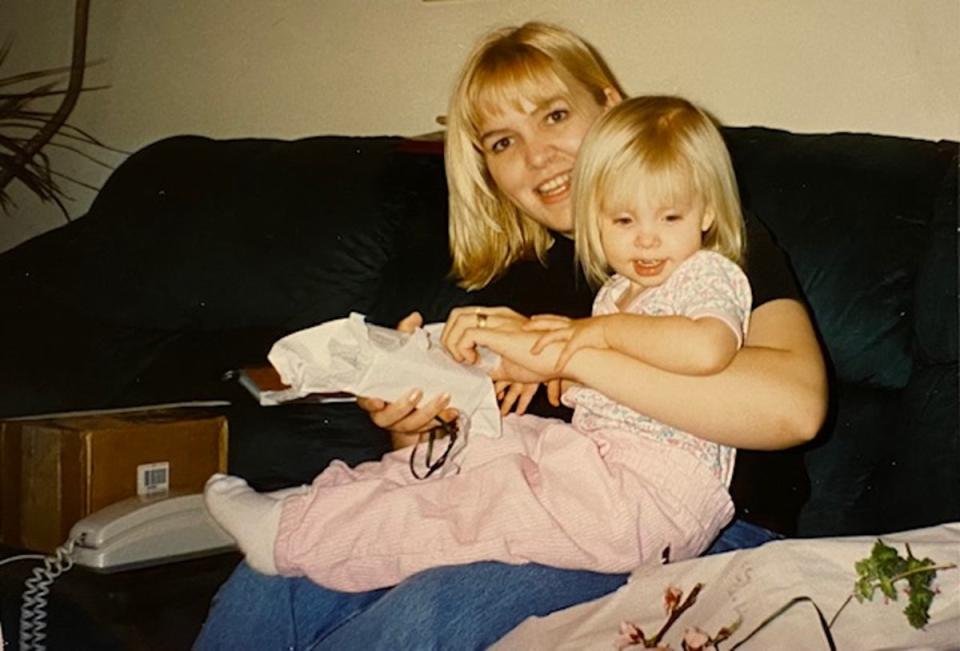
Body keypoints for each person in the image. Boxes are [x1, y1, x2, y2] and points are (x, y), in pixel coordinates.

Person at [195, 22, 827, 650]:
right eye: (502, 142)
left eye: (554, 116)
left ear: (609, 106)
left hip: (702, 535)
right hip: (540, 519)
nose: (537, 156)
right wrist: (415, 421)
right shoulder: (509, 289)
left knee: (434, 610)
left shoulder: (699, 240)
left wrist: (573, 351)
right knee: (275, 579)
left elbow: (792, 410)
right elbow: (475, 468)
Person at [203, 95, 753, 590]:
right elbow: (617, 373)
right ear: (596, 219)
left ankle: (293, 537)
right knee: (481, 446)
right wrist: (553, 371)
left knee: (477, 508)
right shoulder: (617, 291)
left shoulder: (707, 274)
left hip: (651, 501)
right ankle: (312, 507)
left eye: (671, 216)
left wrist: (591, 340)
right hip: (603, 468)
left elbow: (706, 349)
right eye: (623, 220)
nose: (647, 238)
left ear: (706, 212)